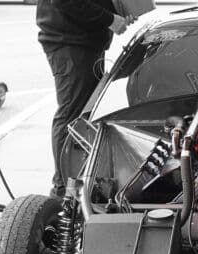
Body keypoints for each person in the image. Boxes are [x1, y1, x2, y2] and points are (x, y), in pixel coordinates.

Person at [36, 0, 131, 197]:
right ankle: (63, 187)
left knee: (84, 116)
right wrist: (110, 19)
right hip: (70, 42)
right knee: (72, 115)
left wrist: (118, 12)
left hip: (83, 41)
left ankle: (76, 182)